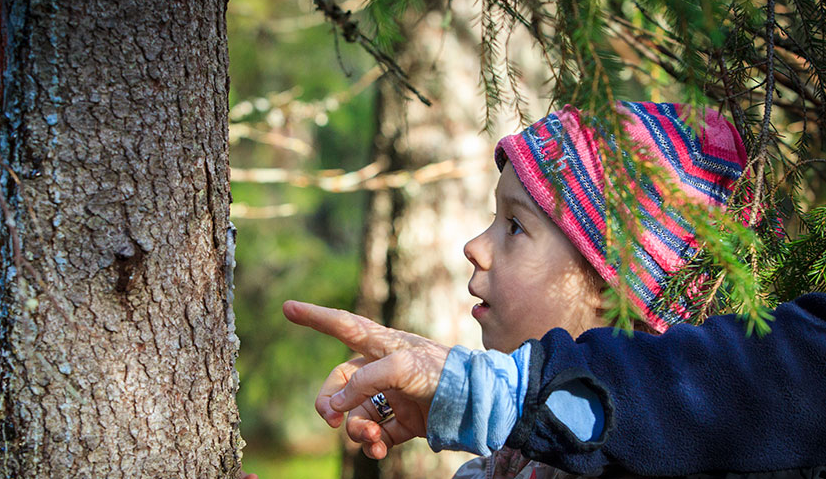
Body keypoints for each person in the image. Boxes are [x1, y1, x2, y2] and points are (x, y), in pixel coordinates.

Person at [283, 102, 826, 478]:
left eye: (515, 226)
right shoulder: (518, 461)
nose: (474, 245)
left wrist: (479, 392)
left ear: (617, 288)